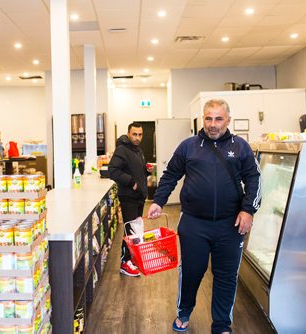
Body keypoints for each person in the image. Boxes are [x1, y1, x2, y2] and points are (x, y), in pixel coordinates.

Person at [147, 99, 262, 333]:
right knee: (191, 271)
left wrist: (248, 210)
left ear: (228, 120)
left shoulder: (241, 147)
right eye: (208, 118)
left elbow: (254, 179)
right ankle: (184, 312)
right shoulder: (188, 146)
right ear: (203, 119)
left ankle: (221, 324)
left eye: (218, 118)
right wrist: (158, 201)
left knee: (226, 276)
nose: (213, 124)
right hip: (193, 223)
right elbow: (170, 175)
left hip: (230, 225)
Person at [108, 122, 152, 277]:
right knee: (130, 231)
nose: (137, 137)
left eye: (140, 135)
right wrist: (131, 182)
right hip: (128, 197)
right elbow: (112, 170)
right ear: (128, 133)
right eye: (134, 134)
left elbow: (133, 169)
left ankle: (131, 260)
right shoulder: (122, 149)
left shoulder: (137, 150)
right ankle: (124, 263)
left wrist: (145, 171)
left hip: (138, 197)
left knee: (135, 230)